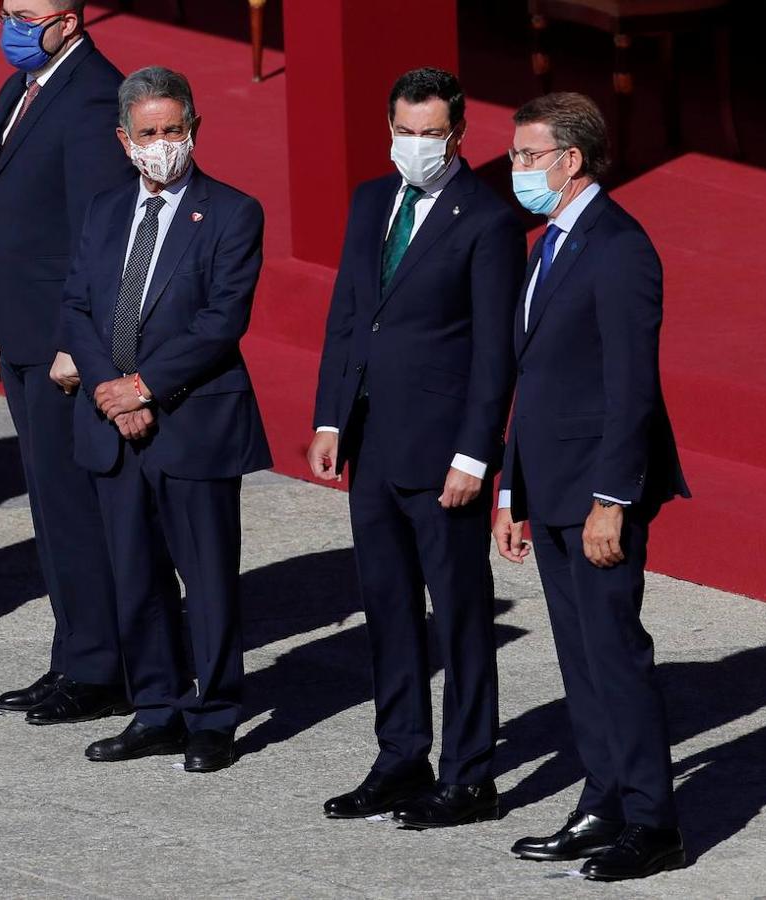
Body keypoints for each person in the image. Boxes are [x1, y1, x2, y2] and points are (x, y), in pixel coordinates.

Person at [308, 68, 525, 828]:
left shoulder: (488, 222)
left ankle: (469, 776)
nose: (416, 146)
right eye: (405, 131)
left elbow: (495, 354)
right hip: (370, 446)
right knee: (388, 608)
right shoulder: (371, 201)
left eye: (430, 135)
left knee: (459, 615)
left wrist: (475, 456)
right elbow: (348, 314)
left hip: (442, 459)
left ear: (457, 137)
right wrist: (330, 417)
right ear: (388, 127)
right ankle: (399, 755)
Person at [493, 92, 691, 881]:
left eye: (524, 156)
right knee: (578, 656)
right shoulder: (549, 243)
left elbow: (629, 389)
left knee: (613, 654)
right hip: (548, 484)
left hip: (597, 493)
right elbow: (533, 379)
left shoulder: (618, 248)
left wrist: (612, 500)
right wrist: (513, 492)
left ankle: (654, 822)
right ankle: (602, 796)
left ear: (569, 161)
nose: (514, 170)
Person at [66, 66, 271, 773]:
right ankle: (155, 709)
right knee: (135, 575)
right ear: (124, 140)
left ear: (195, 130)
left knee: (207, 578)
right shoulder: (102, 210)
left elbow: (221, 322)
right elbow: (77, 308)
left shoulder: (232, 212)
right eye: (148, 134)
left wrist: (143, 389)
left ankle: (213, 715)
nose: (162, 145)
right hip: (111, 426)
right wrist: (107, 392)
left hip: (192, 424)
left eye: (173, 131)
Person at [0, 0, 137, 724]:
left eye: (27, 13)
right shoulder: (23, 87)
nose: (11, 24)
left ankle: (102, 665)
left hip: (61, 345)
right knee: (48, 502)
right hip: (21, 334)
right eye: (4, 10)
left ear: (69, 20)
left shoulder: (95, 94)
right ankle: (72, 652)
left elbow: (95, 234)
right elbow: (2, 218)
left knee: (73, 507)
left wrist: (78, 341)